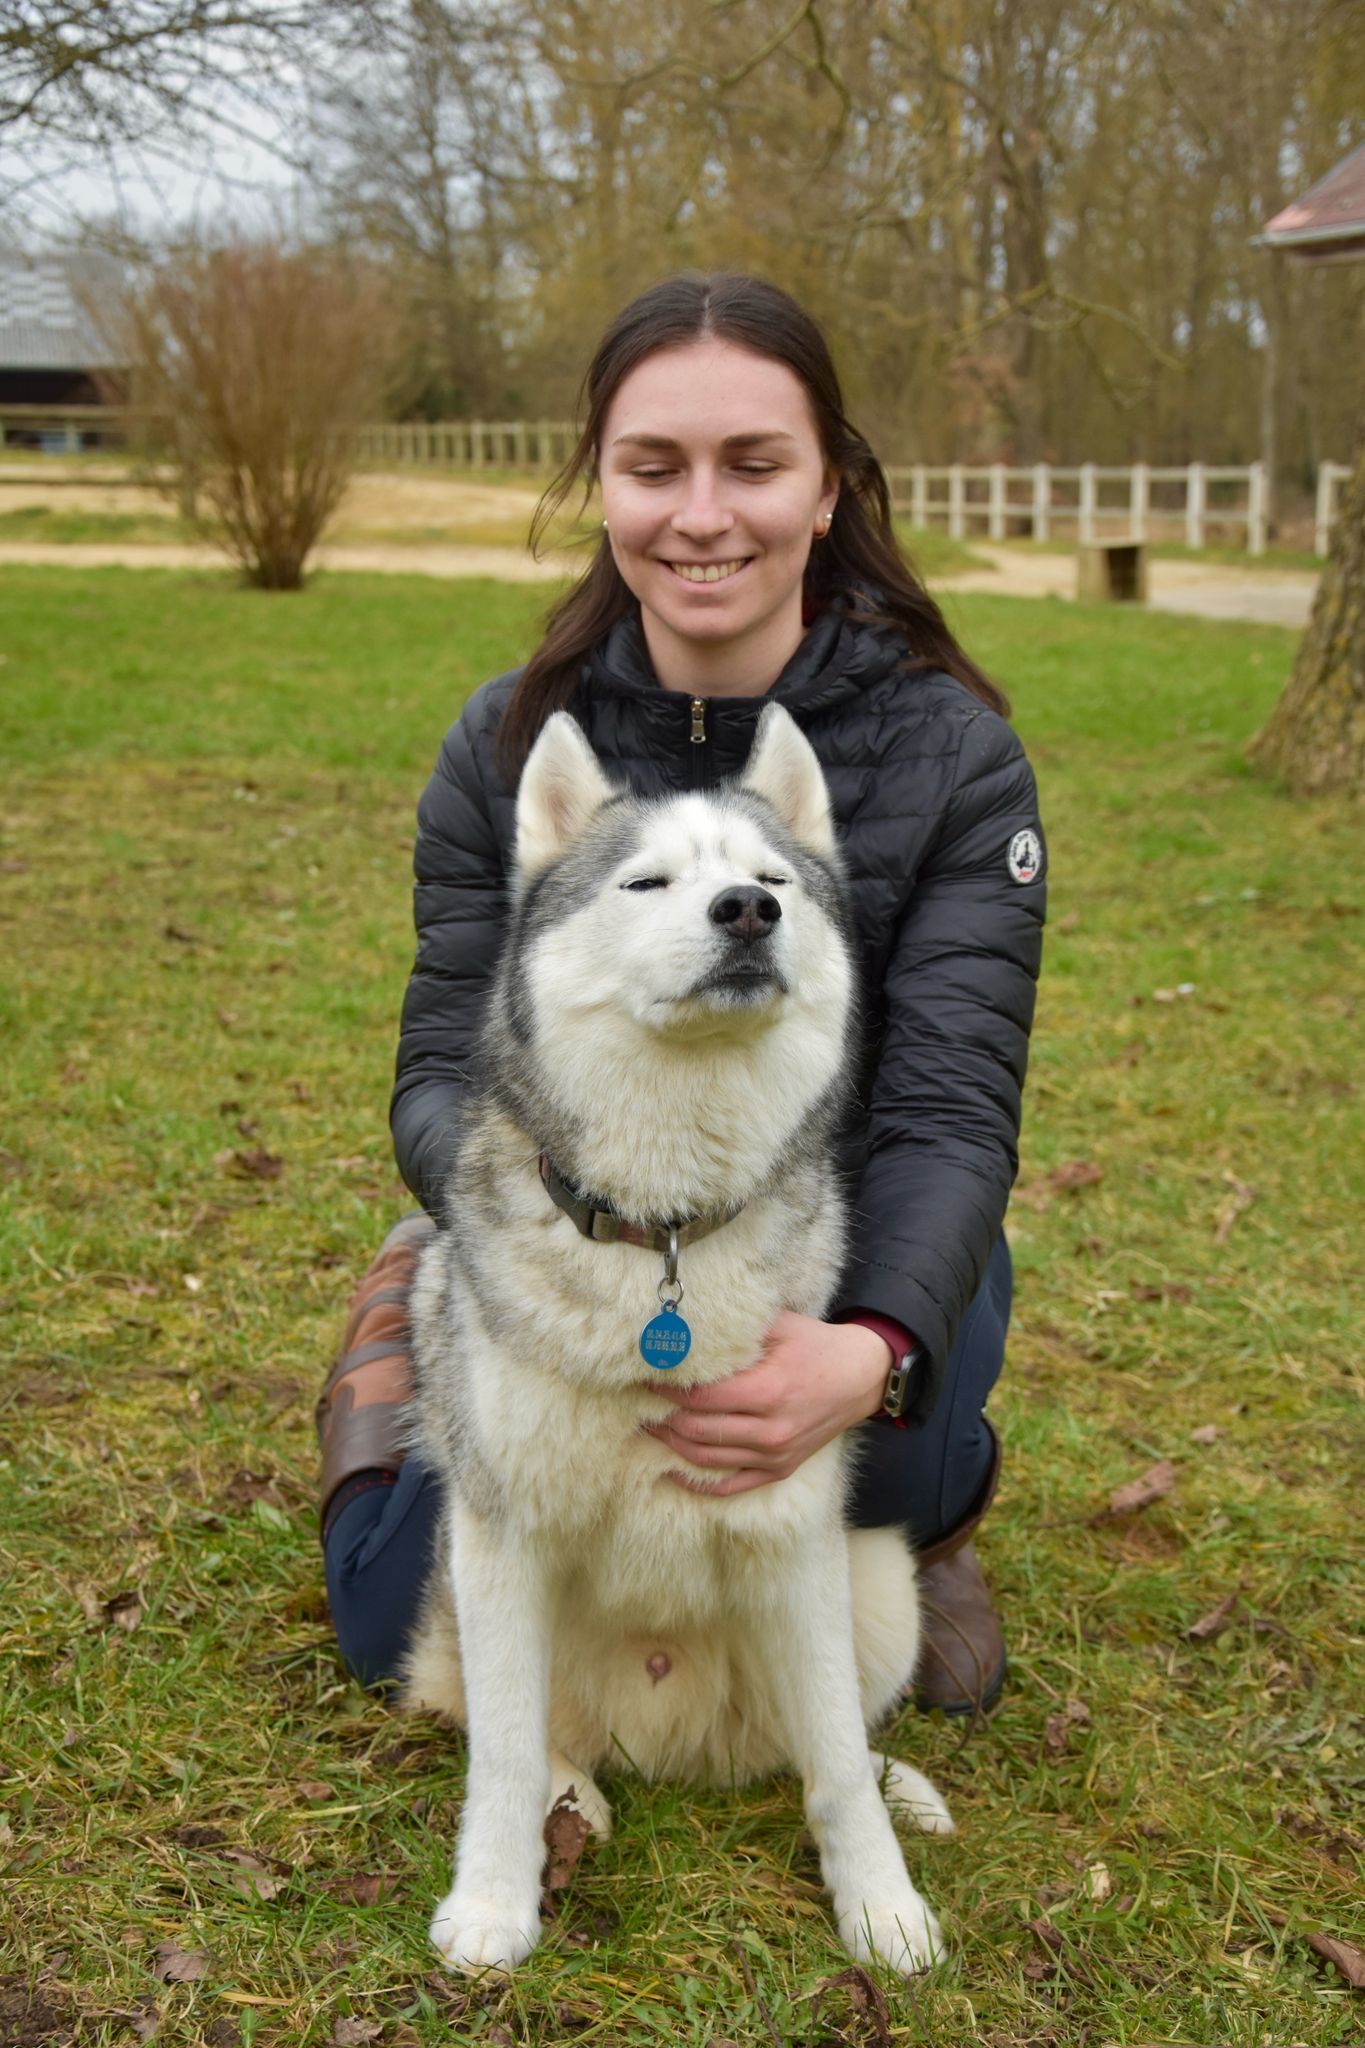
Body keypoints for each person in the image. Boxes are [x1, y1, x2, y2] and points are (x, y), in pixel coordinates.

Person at [316, 272, 1045, 1716]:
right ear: (602, 483)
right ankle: (401, 1331)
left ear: (827, 487)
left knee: (873, 1480)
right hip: (569, 1255)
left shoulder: (955, 756)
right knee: (388, 1624)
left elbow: (949, 1109)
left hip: (833, 1247)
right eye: (653, 468)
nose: (700, 515)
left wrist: (872, 1346)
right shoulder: (514, 741)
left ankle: (926, 1514)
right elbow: (439, 1070)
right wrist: (554, 1270)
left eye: (753, 465)